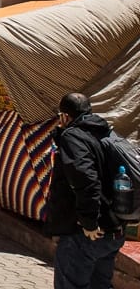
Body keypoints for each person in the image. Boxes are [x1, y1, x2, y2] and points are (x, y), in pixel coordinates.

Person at [45, 92, 124, 289]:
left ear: (64, 116)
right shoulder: (105, 132)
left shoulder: (73, 137)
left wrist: (89, 221)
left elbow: (86, 178)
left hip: (85, 234)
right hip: (112, 229)